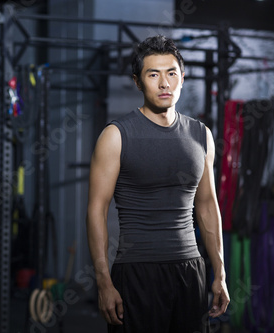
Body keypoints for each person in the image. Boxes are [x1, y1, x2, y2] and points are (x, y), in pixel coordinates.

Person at [86, 35, 230, 333]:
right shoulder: (116, 135)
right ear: (138, 82)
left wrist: (220, 273)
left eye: (171, 73)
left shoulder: (201, 135)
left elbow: (206, 205)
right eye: (153, 74)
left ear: (182, 77)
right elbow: (96, 210)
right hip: (137, 272)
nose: (164, 83)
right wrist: (103, 282)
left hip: (191, 269)